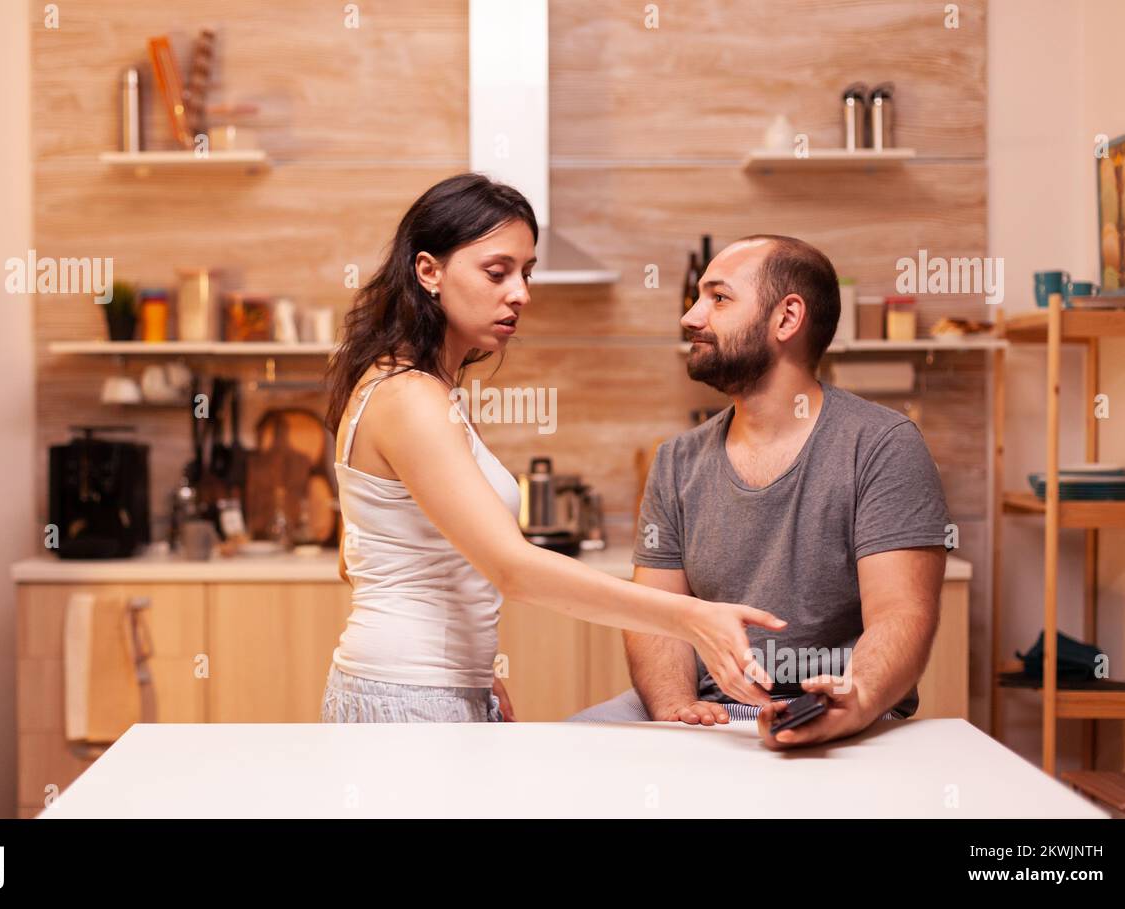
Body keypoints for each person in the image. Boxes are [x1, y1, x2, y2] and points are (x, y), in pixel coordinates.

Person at [319, 174, 785, 723]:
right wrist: (691, 617)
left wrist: (467, 666)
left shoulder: (417, 387)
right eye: (497, 272)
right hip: (407, 700)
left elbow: (361, 560)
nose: (521, 293)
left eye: (526, 272)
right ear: (429, 271)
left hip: (419, 686)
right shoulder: (410, 397)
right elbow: (512, 569)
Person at [569, 235, 951, 750]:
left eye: (718, 298)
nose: (691, 317)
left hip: (840, 709)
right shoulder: (676, 461)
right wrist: (676, 710)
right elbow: (654, 614)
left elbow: (901, 617)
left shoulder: (882, 446)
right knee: (570, 748)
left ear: (786, 318)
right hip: (711, 712)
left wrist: (853, 700)